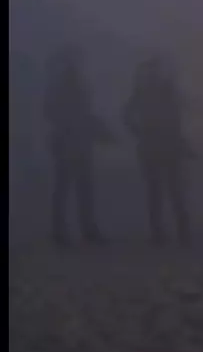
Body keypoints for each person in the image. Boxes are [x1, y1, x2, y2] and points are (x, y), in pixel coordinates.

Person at [45, 45, 112, 245]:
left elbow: (85, 114)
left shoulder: (79, 86)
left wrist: (97, 129)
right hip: (68, 144)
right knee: (67, 189)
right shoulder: (60, 86)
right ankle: (66, 231)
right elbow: (50, 112)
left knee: (80, 189)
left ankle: (81, 230)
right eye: (77, 60)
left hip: (79, 144)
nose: (80, 64)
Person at [123, 54, 191, 245]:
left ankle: (174, 231)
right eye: (154, 69)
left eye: (158, 69)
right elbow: (127, 115)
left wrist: (138, 131)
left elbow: (127, 115)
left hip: (163, 145)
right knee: (164, 191)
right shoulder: (146, 91)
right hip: (157, 146)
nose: (156, 73)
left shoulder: (160, 90)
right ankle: (168, 232)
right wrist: (139, 131)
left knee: (169, 191)